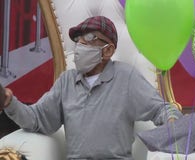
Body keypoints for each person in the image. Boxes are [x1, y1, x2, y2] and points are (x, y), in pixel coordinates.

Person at [1, 16, 183, 159]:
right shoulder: (66, 81)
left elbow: (161, 109)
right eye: (78, 40)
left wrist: (173, 122)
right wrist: (8, 101)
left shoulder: (126, 77)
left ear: (108, 50)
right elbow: (37, 119)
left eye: (88, 38)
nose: (80, 45)